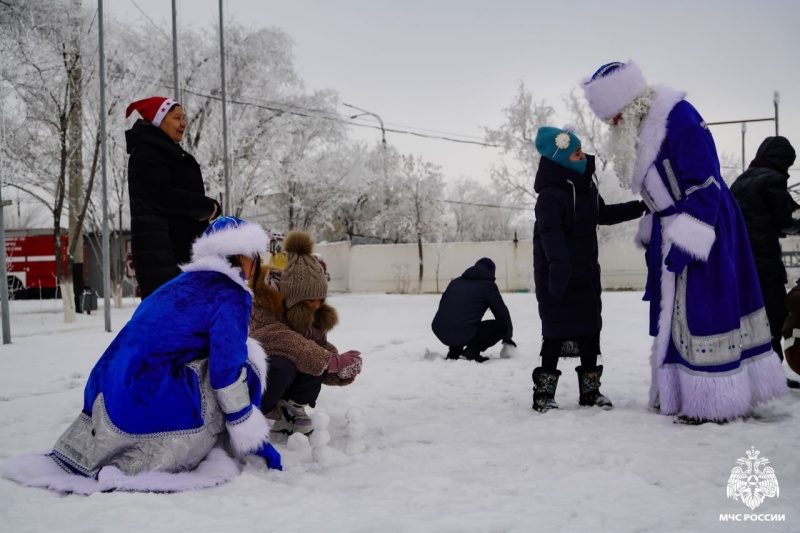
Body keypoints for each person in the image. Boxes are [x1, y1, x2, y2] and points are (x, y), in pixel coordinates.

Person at [1, 217, 281, 495]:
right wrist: (250, 431)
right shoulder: (230, 292)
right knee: (248, 358)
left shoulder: (174, 286)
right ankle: (231, 442)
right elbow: (226, 371)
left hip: (106, 402)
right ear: (245, 257)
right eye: (255, 258)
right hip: (147, 408)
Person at [582, 61, 788, 424]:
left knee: (704, 309)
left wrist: (686, 239)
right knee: (675, 314)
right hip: (672, 226)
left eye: (614, 116)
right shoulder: (645, 125)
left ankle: (714, 401)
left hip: (703, 225)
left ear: (630, 103)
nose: (612, 125)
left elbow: (705, 183)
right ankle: (681, 394)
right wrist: (655, 227)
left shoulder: (678, 117)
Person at [532, 126, 645, 412]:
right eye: (576, 154)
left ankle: (590, 392)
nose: (583, 156)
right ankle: (544, 394)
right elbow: (550, 234)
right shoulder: (549, 195)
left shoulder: (585, 186)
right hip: (558, 274)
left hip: (585, 272)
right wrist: (558, 267)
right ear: (560, 160)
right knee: (555, 334)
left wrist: (640, 208)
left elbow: (602, 214)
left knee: (590, 331)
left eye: (581, 151)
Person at [249, 230, 363, 436]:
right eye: (311, 300)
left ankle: (292, 406)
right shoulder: (263, 308)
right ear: (292, 296)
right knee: (284, 363)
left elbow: (315, 349)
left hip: (288, 376)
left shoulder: (311, 314)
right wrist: (329, 361)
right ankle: (258, 412)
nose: (317, 305)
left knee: (315, 356)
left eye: (321, 298)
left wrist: (339, 369)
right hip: (254, 381)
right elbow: (281, 338)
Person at [125, 96, 221, 299]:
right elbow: (163, 196)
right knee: (171, 323)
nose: (183, 123)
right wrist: (206, 207)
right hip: (164, 255)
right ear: (159, 120)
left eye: (184, 118)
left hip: (175, 253)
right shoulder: (147, 152)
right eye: (177, 118)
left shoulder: (164, 151)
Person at [730, 136, 800, 389]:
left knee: (750, 318)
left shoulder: (742, 180)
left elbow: (758, 218)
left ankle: (754, 374)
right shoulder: (773, 179)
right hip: (764, 263)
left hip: (739, 262)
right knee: (776, 315)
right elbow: (783, 223)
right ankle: (770, 378)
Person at [431, 257, 515, 363]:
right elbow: (502, 313)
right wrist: (507, 338)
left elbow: (448, 308)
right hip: (461, 331)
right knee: (502, 325)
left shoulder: (456, 282)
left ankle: (454, 351)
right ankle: (471, 352)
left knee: (460, 317)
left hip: (440, 329)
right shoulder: (488, 286)